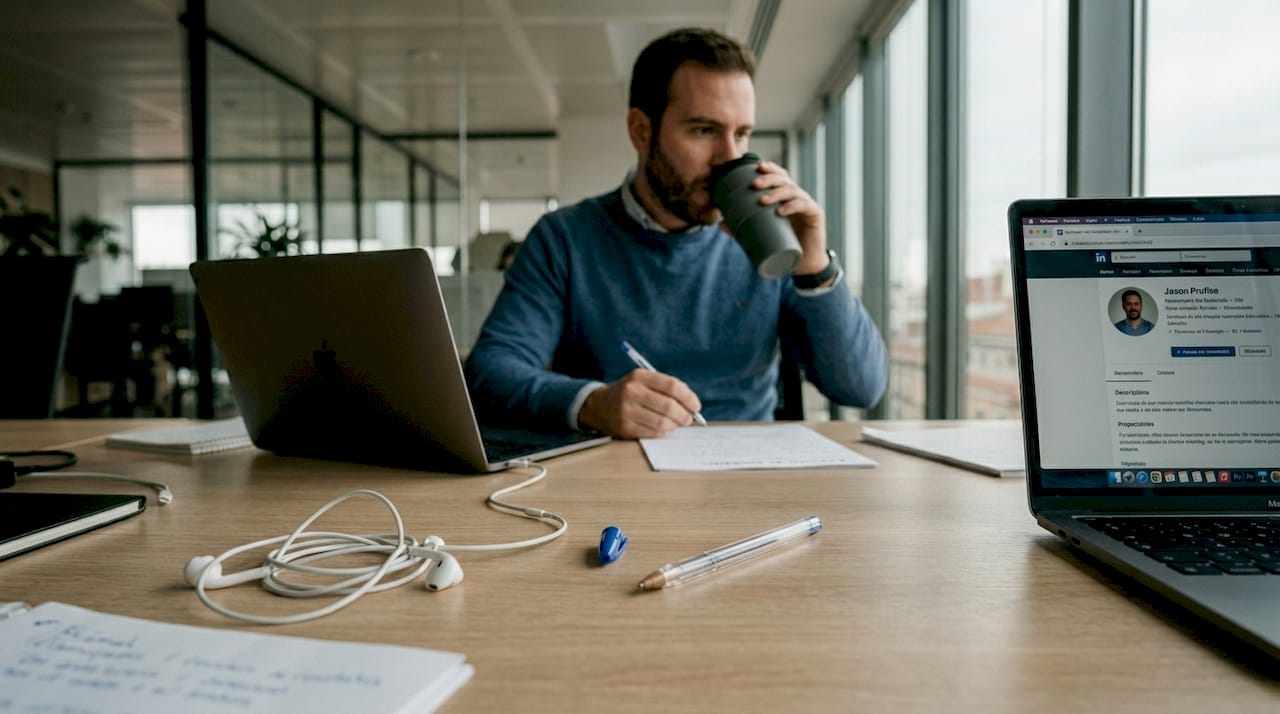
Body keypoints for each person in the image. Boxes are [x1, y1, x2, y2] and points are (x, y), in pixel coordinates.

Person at [463, 27, 887, 439]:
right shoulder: (565, 238)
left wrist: (814, 266)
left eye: (742, 134)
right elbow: (490, 373)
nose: (730, 158)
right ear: (641, 131)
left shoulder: (767, 237)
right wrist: (593, 403)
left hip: (746, 474)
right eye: (705, 131)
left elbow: (861, 388)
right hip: (609, 476)